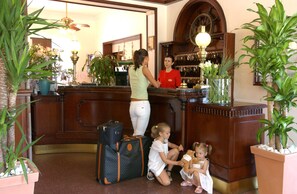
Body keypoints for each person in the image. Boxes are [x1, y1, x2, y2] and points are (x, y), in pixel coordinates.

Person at [129, 49, 160, 136]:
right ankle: (133, 149)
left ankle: (132, 149)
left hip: (132, 106)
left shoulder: (130, 69)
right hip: (142, 105)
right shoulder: (144, 69)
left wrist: (148, 83)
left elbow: (139, 85)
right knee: (138, 135)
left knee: (136, 133)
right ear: (146, 58)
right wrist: (158, 82)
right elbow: (156, 85)